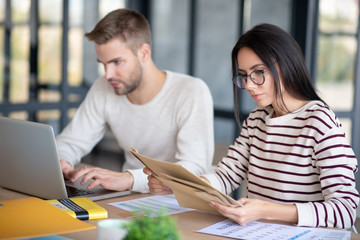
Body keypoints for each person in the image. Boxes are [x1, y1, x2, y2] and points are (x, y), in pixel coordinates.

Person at [145, 23, 359, 229]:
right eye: (244, 76)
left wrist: (266, 210)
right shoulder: (257, 120)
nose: (248, 85)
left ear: (285, 65)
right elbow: (225, 176)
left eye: (258, 72)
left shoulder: (319, 121)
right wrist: (179, 186)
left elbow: (345, 210)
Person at [56, 8, 214, 193]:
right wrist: (63, 162)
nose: (108, 75)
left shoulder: (190, 91)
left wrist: (130, 179)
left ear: (144, 52)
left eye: (116, 62)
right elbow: (71, 142)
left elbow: (195, 168)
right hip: (129, 198)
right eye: (103, 64)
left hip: (179, 200)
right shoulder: (103, 87)